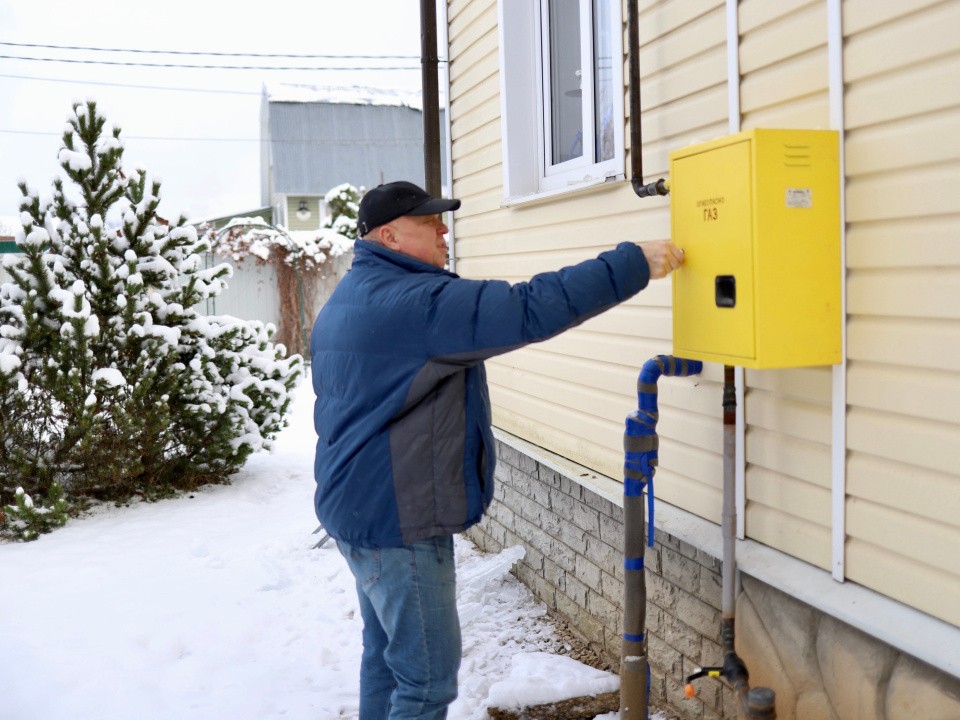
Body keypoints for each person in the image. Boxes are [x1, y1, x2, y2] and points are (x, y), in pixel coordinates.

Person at [310, 180, 684, 720]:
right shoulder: (415, 303)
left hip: (356, 506)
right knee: (426, 683)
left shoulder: (349, 297)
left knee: (387, 662)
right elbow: (527, 308)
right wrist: (632, 263)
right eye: (429, 222)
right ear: (389, 236)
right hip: (398, 520)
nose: (444, 230)